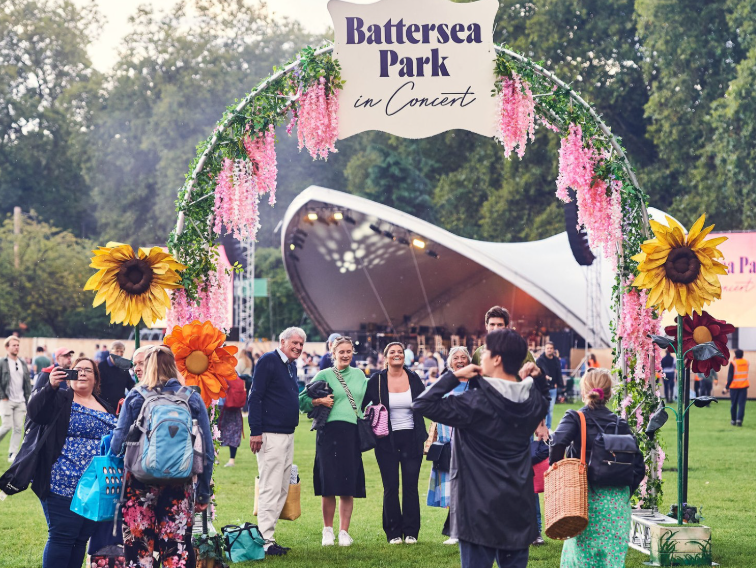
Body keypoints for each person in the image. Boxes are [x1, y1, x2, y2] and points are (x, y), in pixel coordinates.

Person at [413, 329, 549, 568]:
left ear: (497, 359)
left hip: (477, 510)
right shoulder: (530, 402)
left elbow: (422, 403)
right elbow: (544, 399)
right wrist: (538, 378)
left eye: (486, 351)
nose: (480, 356)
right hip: (518, 508)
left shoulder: (474, 403)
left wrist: (455, 376)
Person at [111, 345, 214, 568]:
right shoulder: (191, 398)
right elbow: (207, 451)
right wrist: (204, 492)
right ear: (173, 366)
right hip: (180, 483)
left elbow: (117, 443)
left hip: (139, 483)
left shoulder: (136, 396)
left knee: (139, 548)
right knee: (176, 548)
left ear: (148, 366)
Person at [550, 368, 645, 568]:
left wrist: (561, 476)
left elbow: (557, 442)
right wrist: (624, 493)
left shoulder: (576, 418)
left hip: (584, 501)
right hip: (617, 505)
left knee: (581, 559)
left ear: (584, 391)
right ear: (609, 393)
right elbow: (638, 466)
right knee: (611, 560)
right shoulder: (620, 424)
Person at [26, 357, 117, 568]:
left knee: (80, 539)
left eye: (88, 370)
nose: (82, 373)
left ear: (96, 378)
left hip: (94, 488)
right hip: (62, 483)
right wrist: (50, 386)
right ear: (70, 375)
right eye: (78, 369)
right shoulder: (59, 398)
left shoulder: (104, 405)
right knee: (62, 537)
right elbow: (35, 412)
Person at [299, 336, 367, 548]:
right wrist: (319, 400)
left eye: (348, 351)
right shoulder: (324, 374)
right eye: (341, 352)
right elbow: (301, 401)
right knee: (328, 483)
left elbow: (369, 400)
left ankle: (344, 532)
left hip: (351, 434)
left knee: (348, 485)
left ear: (353, 352)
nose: (345, 355)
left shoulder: (360, 375)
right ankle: (327, 531)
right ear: (334, 353)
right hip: (328, 433)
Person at [362, 342, 428, 544]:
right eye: (392, 352)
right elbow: (362, 403)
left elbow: (427, 402)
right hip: (385, 440)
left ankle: (411, 532)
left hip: (412, 438)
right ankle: (393, 533)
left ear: (404, 356)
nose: (397, 354)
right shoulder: (377, 380)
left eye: (400, 352)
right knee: (390, 486)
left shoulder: (414, 378)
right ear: (386, 357)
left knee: (410, 486)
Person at [248, 327, 306, 555]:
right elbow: (255, 396)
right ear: (282, 341)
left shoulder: (290, 365)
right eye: (294, 343)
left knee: (282, 488)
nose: (298, 347)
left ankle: (268, 538)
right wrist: (255, 431)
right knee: (270, 487)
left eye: (301, 344)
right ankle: (264, 541)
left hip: (287, 433)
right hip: (270, 435)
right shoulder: (268, 361)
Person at [426, 346, 472, 545]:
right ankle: (455, 532)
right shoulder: (444, 382)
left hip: (471, 444)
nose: (460, 360)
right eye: (456, 358)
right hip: (448, 442)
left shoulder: (474, 383)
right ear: (450, 362)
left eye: (463, 357)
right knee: (453, 489)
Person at [471, 306, 536, 368]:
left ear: (506, 327)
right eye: (492, 324)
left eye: (500, 325)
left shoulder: (521, 352)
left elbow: (535, 374)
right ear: (486, 326)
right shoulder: (478, 353)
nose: (496, 328)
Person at [0, 336, 31, 462]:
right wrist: (2, 396)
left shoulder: (22, 362)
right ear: (7, 347)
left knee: (18, 428)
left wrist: (28, 400)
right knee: (6, 426)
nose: (16, 347)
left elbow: (27, 383)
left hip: (21, 400)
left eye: (18, 345)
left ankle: (12, 453)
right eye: (14, 345)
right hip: (6, 399)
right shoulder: (2, 362)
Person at [98, 341, 135, 410]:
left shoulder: (123, 366)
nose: (119, 354)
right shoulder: (101, 367)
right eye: (117, 351)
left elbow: (130, 384)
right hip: (105, 406)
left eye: (121, 351)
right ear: (110, 352)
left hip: (120, 406)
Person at [536, 342, 564, 429]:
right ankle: (541, 427)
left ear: (553, 349)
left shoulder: (556, 360)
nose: (549, 350)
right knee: (543, 409)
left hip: (552, 388)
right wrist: (544, 376)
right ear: (545, 349)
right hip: (542, 388)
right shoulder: (540, 360)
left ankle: (548, 428)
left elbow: (559, 373)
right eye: (547, 348)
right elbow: (537, 372)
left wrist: (559, 385)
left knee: (550, 409)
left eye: (551, 348)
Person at [220, 376, 245, 467]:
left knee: (216, 431)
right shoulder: (236, 374)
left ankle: (215, 458)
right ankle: (232, 460)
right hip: (235, 407)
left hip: (222, 406)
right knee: (234, 432)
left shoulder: (219, 374)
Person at [725, 349, 749, 426]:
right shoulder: (746, 362)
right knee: (741, 404)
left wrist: (726, 387)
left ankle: (733, 420)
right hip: (743, 386)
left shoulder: (733, 363)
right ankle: (739, 420)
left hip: (734, 387)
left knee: (734, 404)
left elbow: (730, 376)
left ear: (735, 355)